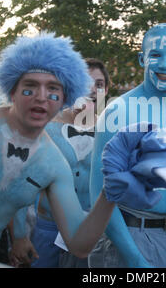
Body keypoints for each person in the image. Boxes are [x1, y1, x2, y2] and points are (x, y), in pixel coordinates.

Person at [0, 33, 166, 268]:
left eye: (53, 89)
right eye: (30, 86)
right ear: (13, 90)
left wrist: (109, 194)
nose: (42, 96)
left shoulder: (52, 162)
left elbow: (78, 243)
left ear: (65, 98)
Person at [88, 23, 166, 268]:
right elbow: (99, 196)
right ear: (142, 59)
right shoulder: (117, 112)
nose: (165, 64)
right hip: (126, 238)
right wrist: (136, 260)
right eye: (155, 55)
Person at [10, 58, 110, 268]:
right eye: (85, 83)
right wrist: (19, 235)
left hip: (95, 233)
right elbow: (19, 183)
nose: (92, 90)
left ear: (106, 90)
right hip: (49, 230)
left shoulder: (112, 132)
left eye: (99, 85)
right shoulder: (47, 128)